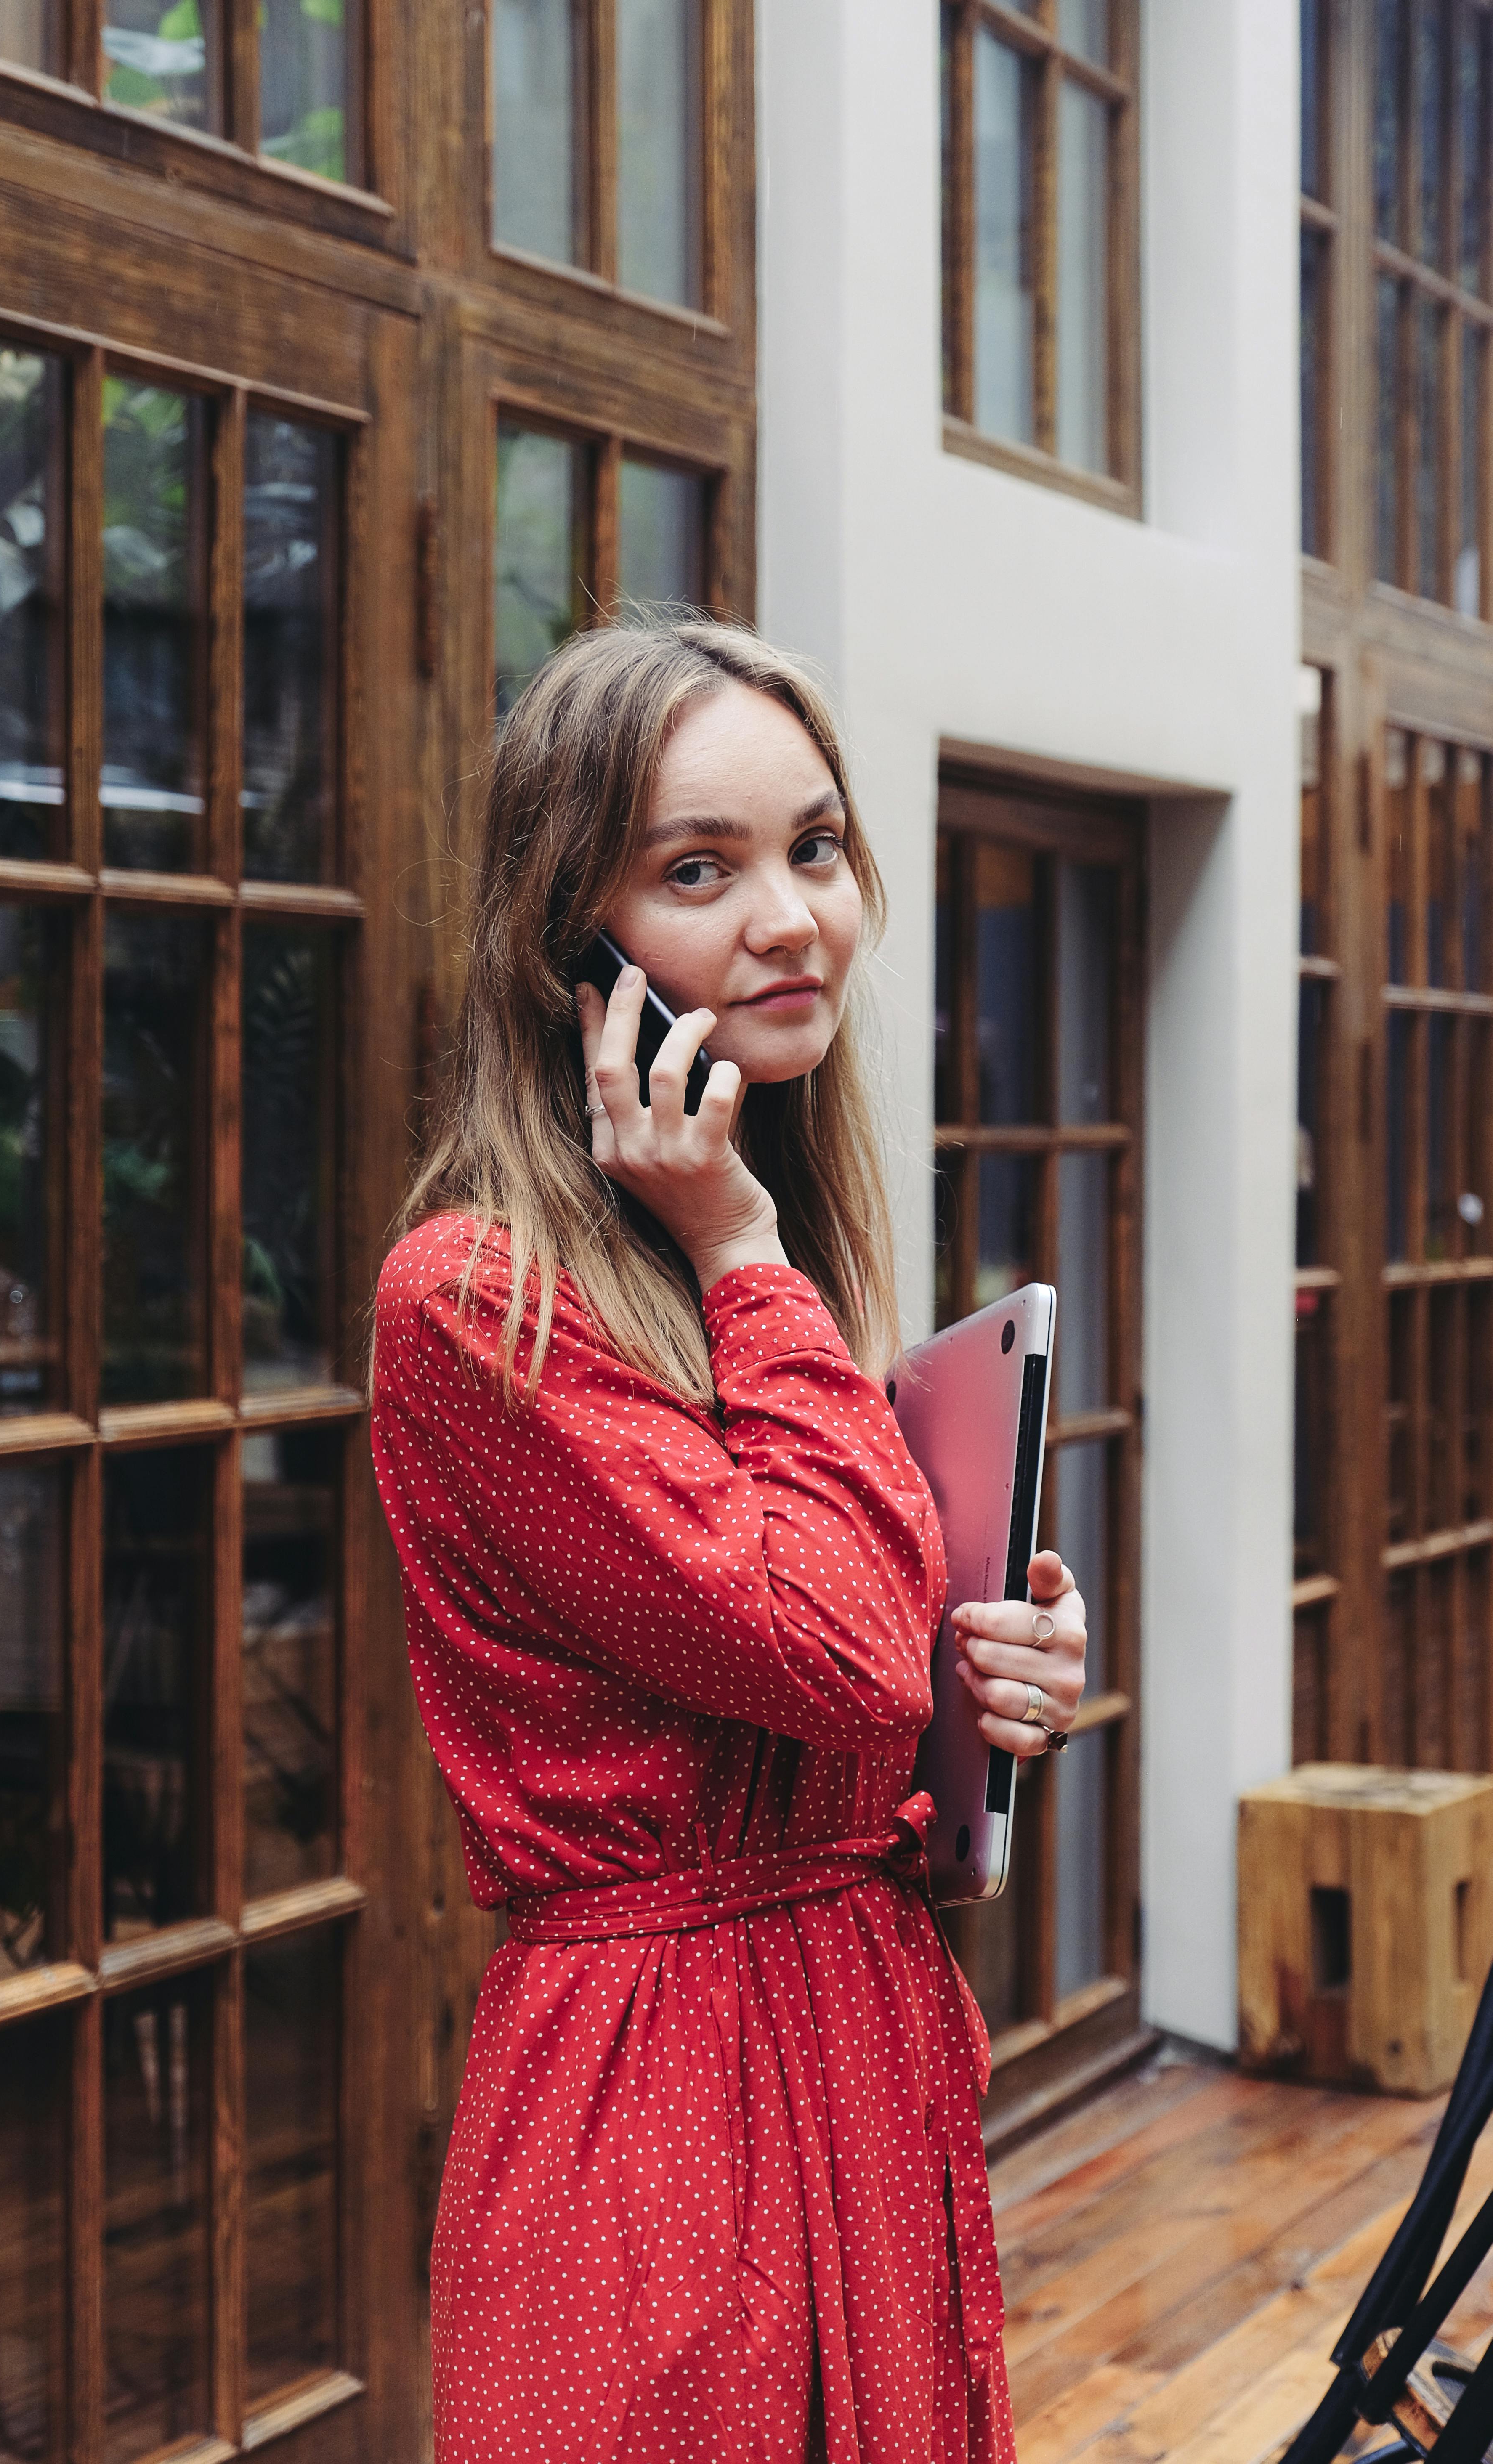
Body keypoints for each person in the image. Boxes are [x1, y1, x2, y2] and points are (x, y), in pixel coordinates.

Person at [371, 619, 1087, 2464]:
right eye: (699, 870)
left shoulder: (731, 1273)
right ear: (568, 944)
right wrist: (741, 1246)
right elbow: (838, 1647)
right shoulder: (476, 1299)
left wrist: (978, 1711)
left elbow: (842, 1712)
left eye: (816, 847)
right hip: (655, 2110)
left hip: (853, 2051)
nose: (791, 919)